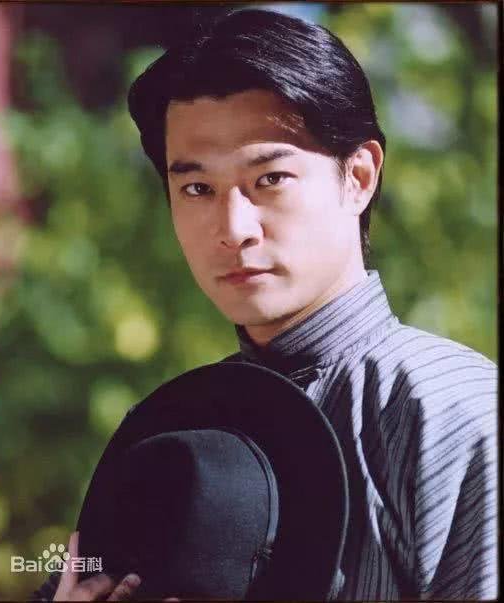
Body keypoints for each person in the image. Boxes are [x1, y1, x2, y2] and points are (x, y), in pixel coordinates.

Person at [32, 8, 497, 602]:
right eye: (197, 188)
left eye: (270, 179)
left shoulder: (453, 416)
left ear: (358, 176)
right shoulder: (173, 430)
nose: (233, 228)